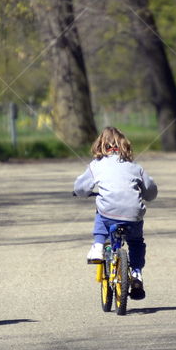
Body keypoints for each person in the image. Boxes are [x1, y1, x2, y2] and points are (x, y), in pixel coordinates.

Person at [73, 127, 157, 300]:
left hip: (109, 213)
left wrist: (82, 193)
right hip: (133, 214)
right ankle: (136, 273)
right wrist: (145, 194)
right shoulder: (135, 167)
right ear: (125, 146)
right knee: (136, 242)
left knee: (102, 212)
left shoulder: (96, 165)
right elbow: (150, 192)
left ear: (100, 145)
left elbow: (81, 188)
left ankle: (97, 246)